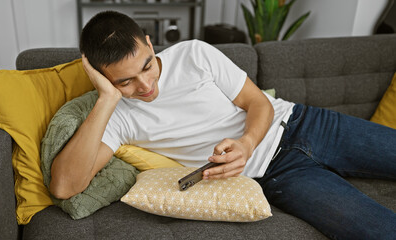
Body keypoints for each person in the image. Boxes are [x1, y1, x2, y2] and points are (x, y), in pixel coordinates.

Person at [49, 11, 396, 239]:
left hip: (305, 123)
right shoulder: (117, 115)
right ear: (102, 78)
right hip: (280, 174)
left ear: (150, 43)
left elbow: (257, 103)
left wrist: (246, 143)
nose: (145, 85)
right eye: (124, 82)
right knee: (379, 231)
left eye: (146, 66)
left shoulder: (193, 54)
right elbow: (65, 187)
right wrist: (108, 100)